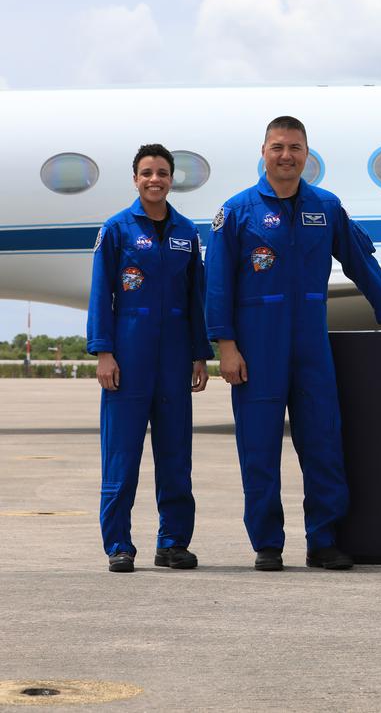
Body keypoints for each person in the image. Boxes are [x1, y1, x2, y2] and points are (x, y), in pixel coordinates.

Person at [204, 116, 381, 571]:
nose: (287, 156)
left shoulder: (325, 207)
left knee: (323, 442)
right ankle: (267, 544)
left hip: (309, 344)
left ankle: (323, 540)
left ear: (308, 155)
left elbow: (362, 264)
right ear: (263, 152)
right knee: (259, 448)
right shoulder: (237, 211)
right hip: (257, 346)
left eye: (296, 148)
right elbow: (218, 286)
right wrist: (225, 345)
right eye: (278, 147)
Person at [87, 144, 213, 573]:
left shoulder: (186, 231)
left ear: (171, 178)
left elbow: (197, 297)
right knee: (121, 456)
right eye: (146, 173)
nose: (154, 179)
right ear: (135, 179)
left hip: (176, 355)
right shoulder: (117, 229)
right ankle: (119, 544)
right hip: (129, 353)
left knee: (176, 455)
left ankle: (173, 542)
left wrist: (200, 354)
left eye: (162, 172)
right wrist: (104, 352)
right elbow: (101, 294)